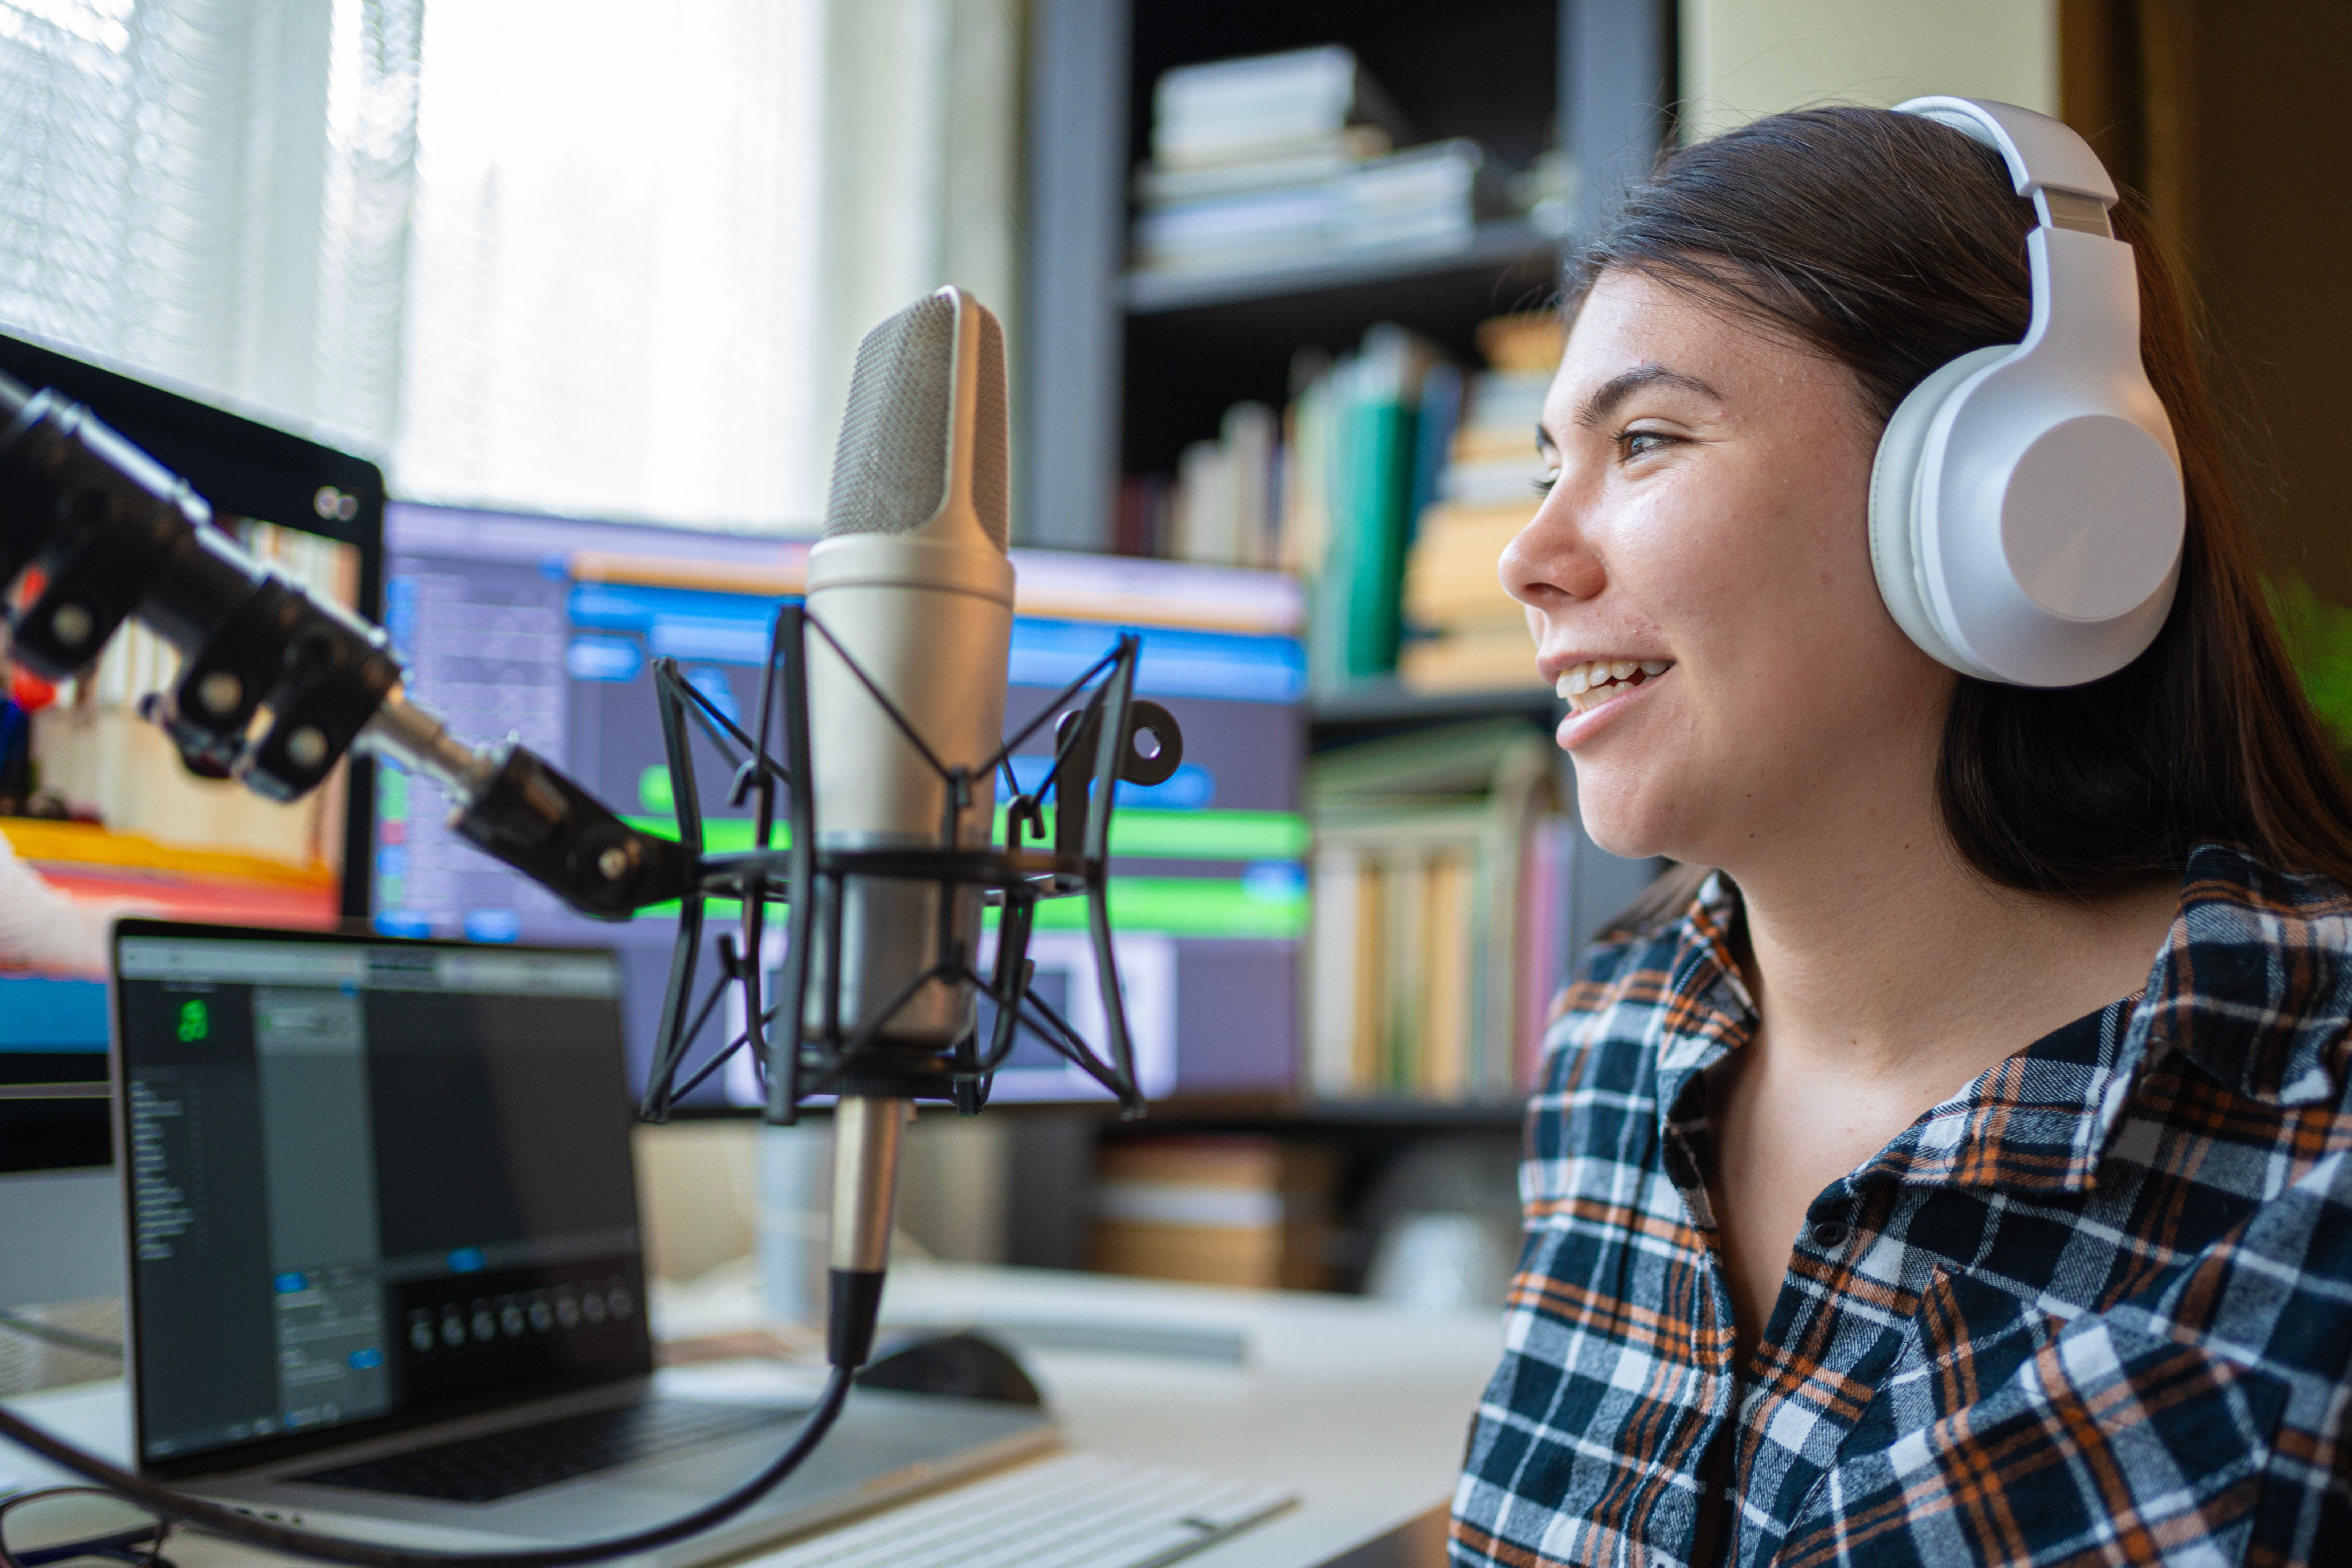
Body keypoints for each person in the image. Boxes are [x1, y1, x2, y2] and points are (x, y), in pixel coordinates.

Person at [1453, 105, 2352, 1566]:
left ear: (2003, 492)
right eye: (1552, 464)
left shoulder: (2315, 1131)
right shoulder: (1613, 1042)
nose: (1531, 559)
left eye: (1650, 438)